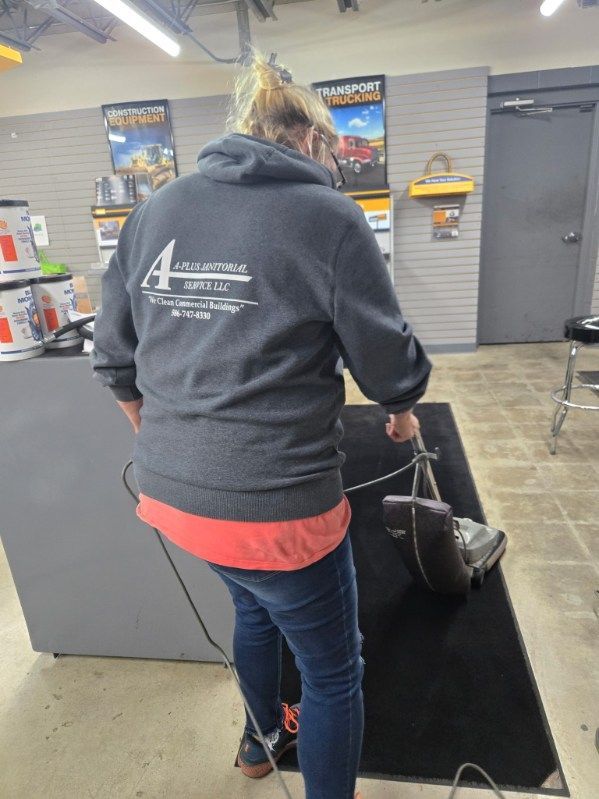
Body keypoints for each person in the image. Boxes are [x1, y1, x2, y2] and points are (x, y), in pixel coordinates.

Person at [91, 51, 431, 799]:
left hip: (173, 497)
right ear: (311, 141)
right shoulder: (328, 216)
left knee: (250, 603)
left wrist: (170, 442)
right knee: (333, 672)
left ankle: (259, 739)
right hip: (276, 509)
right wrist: (403, 408)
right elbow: (384, 362)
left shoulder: (157, 207)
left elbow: (113, 359)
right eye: (334, 152)